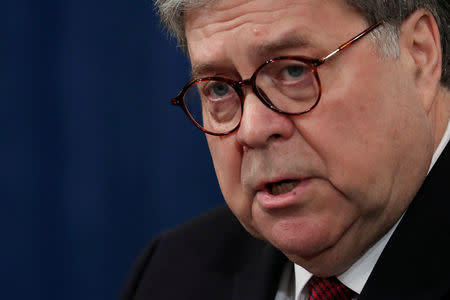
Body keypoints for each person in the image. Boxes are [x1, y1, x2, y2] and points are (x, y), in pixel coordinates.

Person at [122, 0, 450, 299]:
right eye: (219, 88)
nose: (252, 129)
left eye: (294, 71)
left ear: (418, 55)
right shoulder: (170, 277)